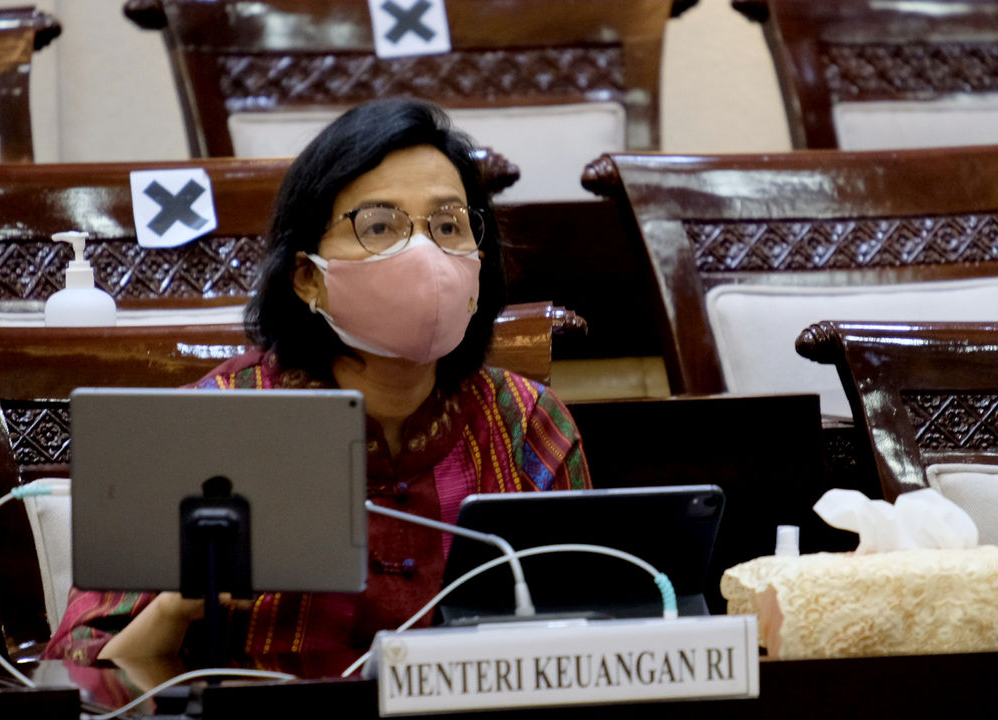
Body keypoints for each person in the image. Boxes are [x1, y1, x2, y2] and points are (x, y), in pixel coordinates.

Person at [44, 98, 591, 665]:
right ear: (307, 277)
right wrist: (174, 610)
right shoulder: (207, 426)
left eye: (449, 225)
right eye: (380, 225)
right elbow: (82, 673)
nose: (425, 253)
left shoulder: (525, 422)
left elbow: (599, 624)